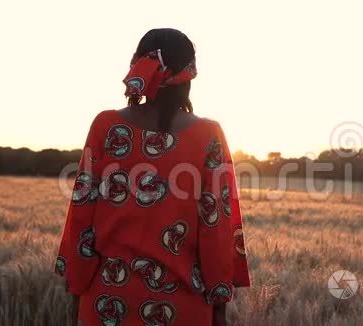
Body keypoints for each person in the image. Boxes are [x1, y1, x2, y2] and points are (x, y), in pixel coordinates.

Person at [54, 28, 250, 326]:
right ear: (190, 75)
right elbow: (217, 226)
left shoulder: (106, 126)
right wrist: (219, 305)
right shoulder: (208, 135)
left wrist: (77, 292)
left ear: (137, 65)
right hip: (183, 308)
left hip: (106, 304)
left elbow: (82, 215)